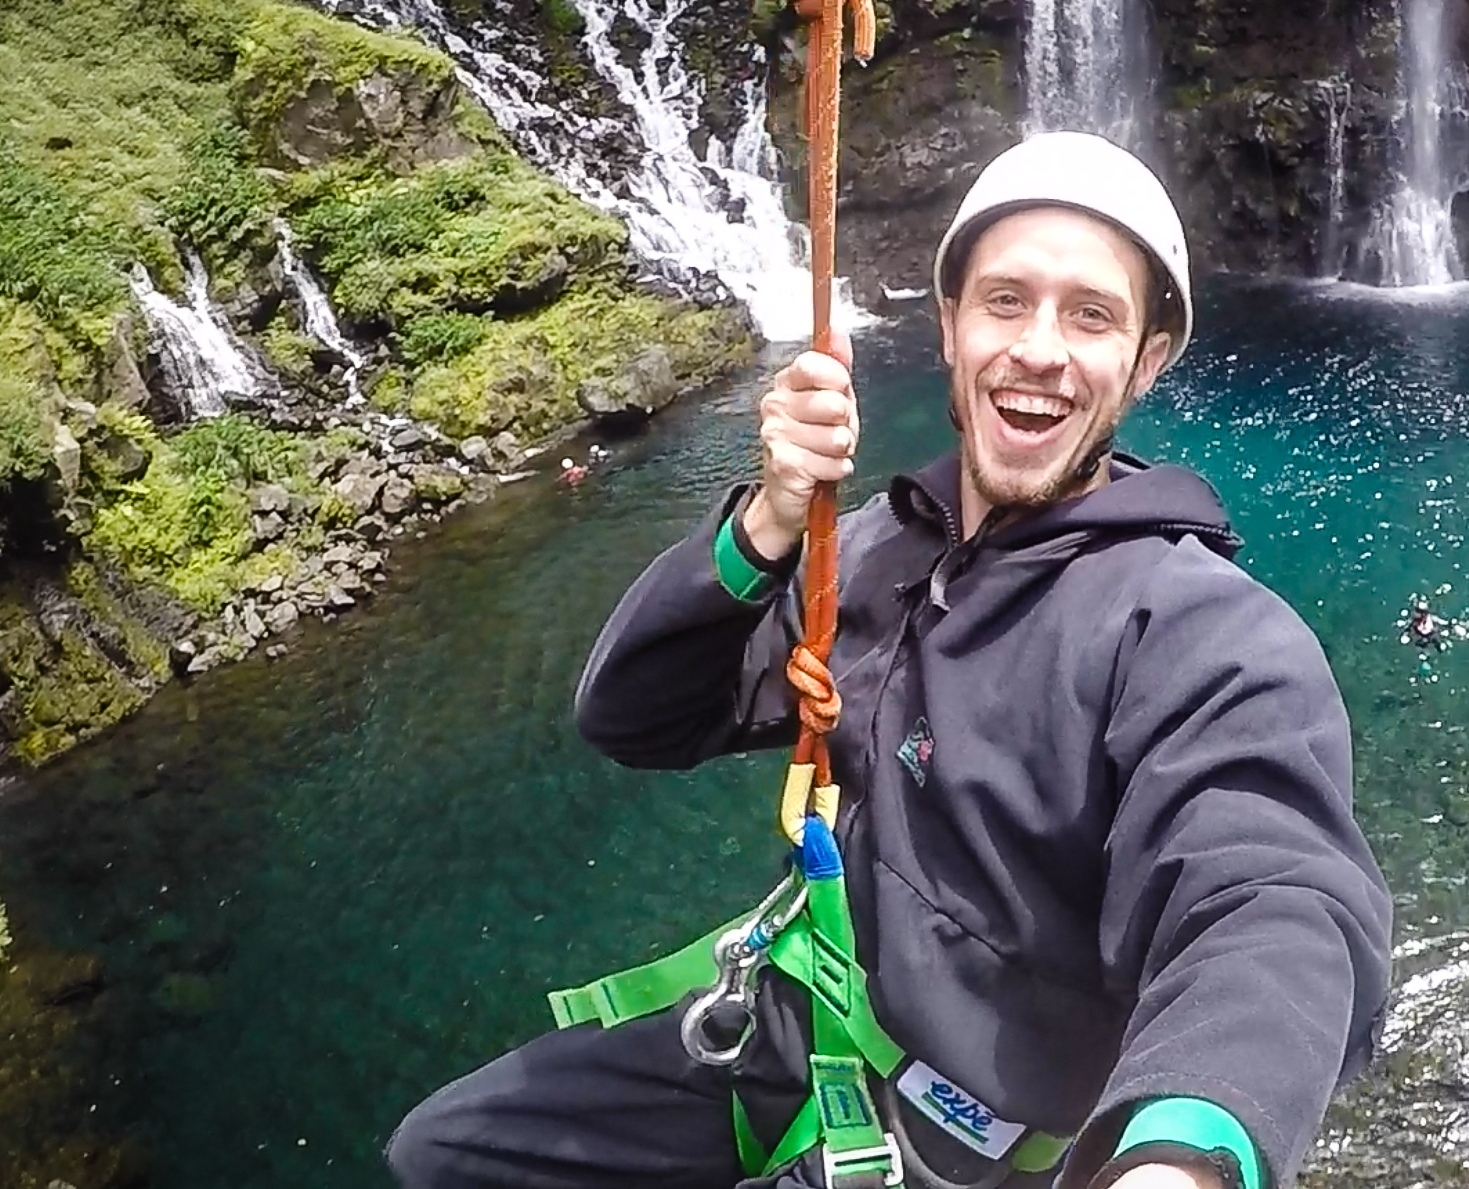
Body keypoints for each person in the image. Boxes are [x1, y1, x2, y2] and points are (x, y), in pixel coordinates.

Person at [387, 131, 1394, 1189]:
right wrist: (767, 526)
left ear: (1144, 362)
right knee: (445, 1155)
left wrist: (1184, 1155)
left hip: (959, 1144)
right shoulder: (870, 553)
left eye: (1090, 315)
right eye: (1005, 301)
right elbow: (635, 718)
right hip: (801, 1025)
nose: (1040, 349)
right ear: (951, 328)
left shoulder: (1199, 632)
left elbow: (1272, 900)